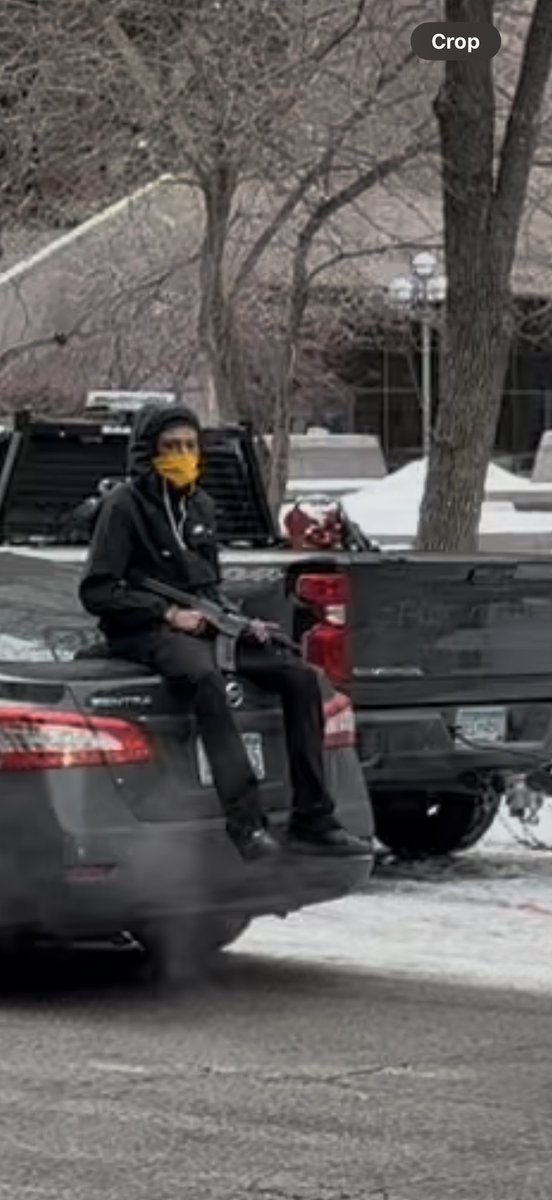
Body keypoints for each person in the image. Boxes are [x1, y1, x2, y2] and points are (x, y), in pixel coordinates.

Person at [79, 401, 367, 863]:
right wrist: (166, 614)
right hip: (142, 632)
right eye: (171, 446)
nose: (182, 454)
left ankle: (313, 820)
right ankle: (246, 823)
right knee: (205, 680)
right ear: (148, 452)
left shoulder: (200, 505)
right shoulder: (123, 508)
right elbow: (97, 591)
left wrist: (238, 620)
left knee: (298, 674)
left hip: (205, 623)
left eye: (190, 445)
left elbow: (207, 583)